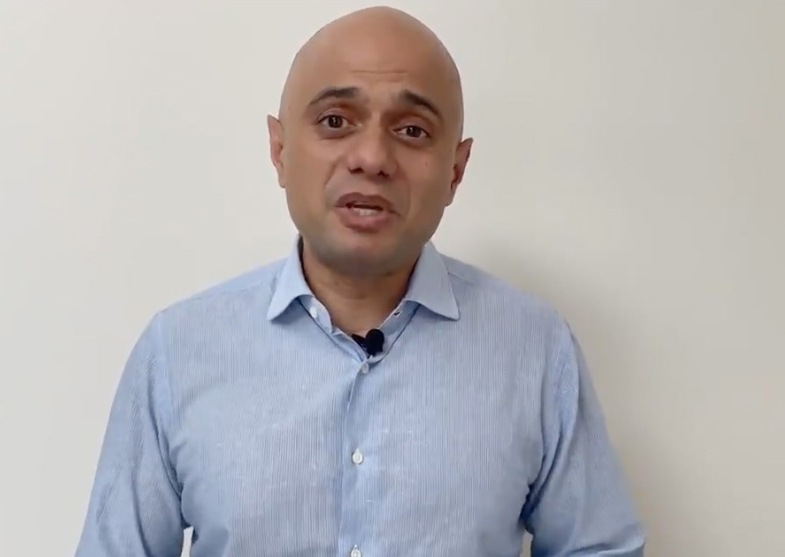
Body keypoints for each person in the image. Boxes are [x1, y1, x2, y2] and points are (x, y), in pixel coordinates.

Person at [75, 6, 645, 557]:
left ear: (455, 169)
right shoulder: (178, 351)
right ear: (279, 149)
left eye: (412, 130)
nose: (372, 158)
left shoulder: (534, 349)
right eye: (335, 122)